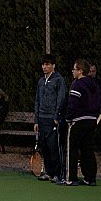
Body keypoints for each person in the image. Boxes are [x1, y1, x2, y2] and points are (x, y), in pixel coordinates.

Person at [59, 59, 101, 186]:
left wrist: (68, 118)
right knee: (88, 149)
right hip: (92, 121)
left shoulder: (77, 84)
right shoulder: (95, 85)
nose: (72, 71)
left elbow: (72, 104)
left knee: (72, 149)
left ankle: (71, 178)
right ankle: (90, 178)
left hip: (78, 121)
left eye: (74, 69)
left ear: (80, 71)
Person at [33, 54, 67, 183]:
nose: (44, 67)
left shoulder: (59, 80)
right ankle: (48, 172)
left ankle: (58, 174)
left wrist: (56, 115)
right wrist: (36, 120)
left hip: (52, 119)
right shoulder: (41, 81)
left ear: (53, 65)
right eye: (43, 64)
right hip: (41, 118)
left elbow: (61, 99)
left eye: (47, 64)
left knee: (54, 147)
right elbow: (37, 100)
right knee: (45, 146)